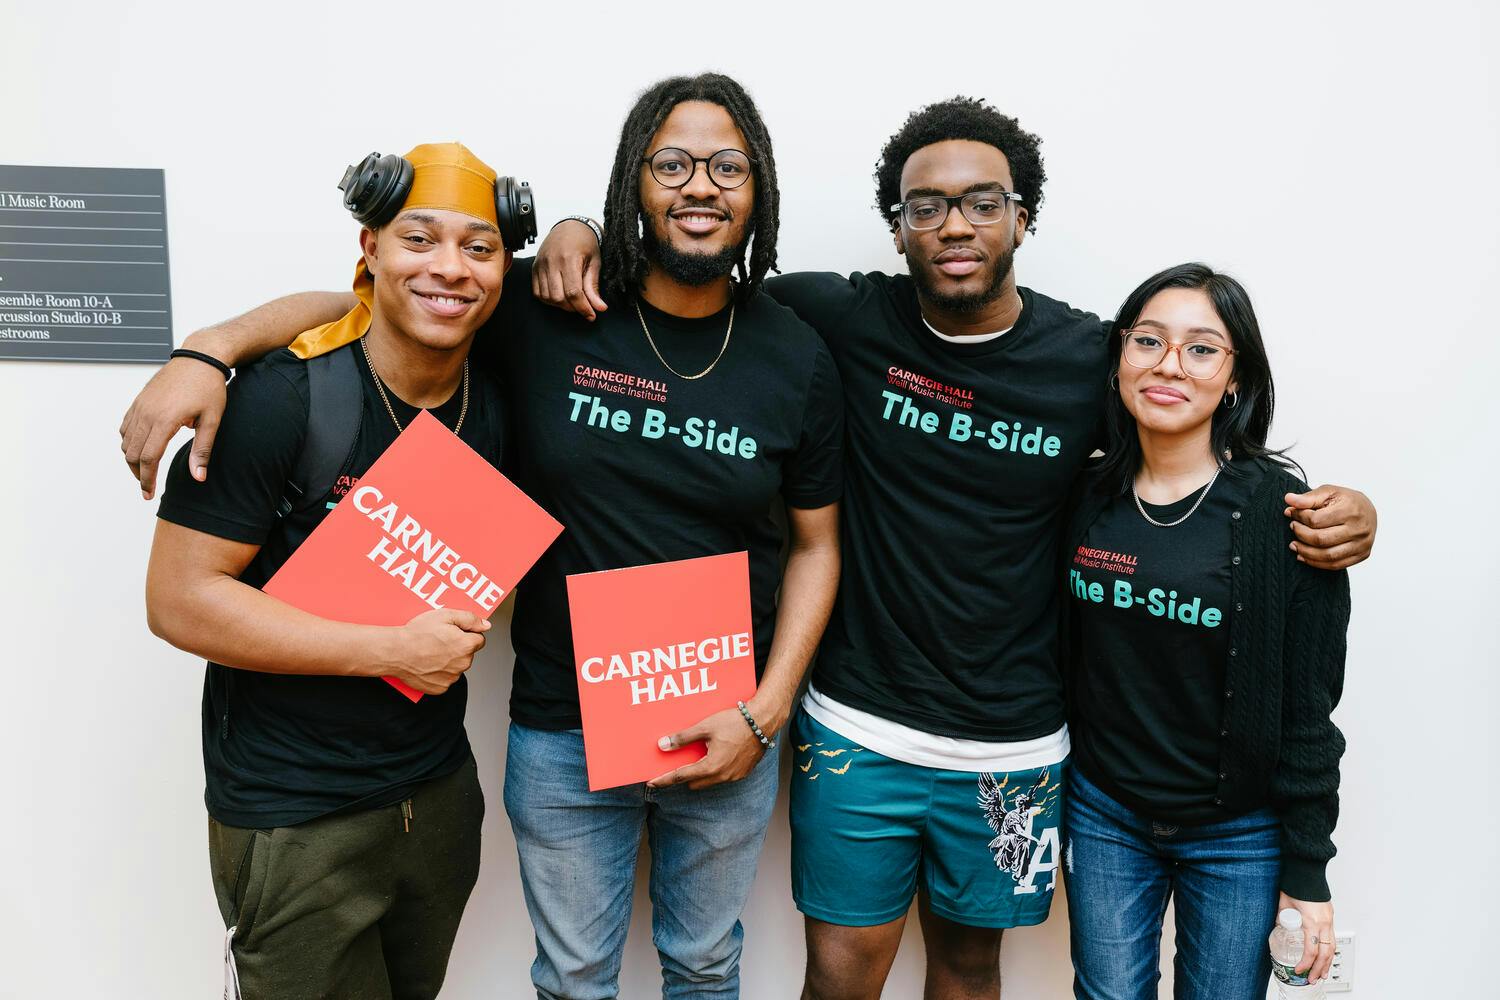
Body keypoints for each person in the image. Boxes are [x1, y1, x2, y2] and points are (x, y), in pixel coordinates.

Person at [528, 96, 1377, 1000]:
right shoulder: (839, 321)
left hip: (1013, 743)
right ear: (898, 230)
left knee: (971, 971)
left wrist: (1344, 508)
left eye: (983, 202)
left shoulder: (1090, 358)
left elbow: (1187, 431)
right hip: (857, 725)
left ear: (1024, 216)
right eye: (924, 206)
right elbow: (693, 272)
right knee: (840, 974)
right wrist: (579, 228)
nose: (955, 223)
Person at [128, 74, 843, 1000]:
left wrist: (767, 710)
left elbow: (818, 544)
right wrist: (208, 347)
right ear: (636, 180)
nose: (699, 185)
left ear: (760, 189)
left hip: (720, 726)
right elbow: (377, 301)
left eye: (726, 166)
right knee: (573, 978)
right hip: (558, 735)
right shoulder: (553, 315)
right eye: (671, 163)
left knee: (707, 964)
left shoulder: (796, 355)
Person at [145, 142, 513, 999]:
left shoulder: (490, 388)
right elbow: (177, 601)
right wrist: (209, 349)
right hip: (296, 813)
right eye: (419, 239)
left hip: (437, 794)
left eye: (480, 247)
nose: (450, 269)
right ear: (371, 249)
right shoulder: (283, 399)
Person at [1059, 263, 1349, 1000]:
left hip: (1237, 831)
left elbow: (1309, 709)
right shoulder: (1084, 496)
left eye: (1200, 349)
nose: (1167, 365)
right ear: (1120, 356)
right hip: (1105, 812)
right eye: (1148, 340)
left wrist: (1308, 870)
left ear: (1236, 379)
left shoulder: (1287, 517)